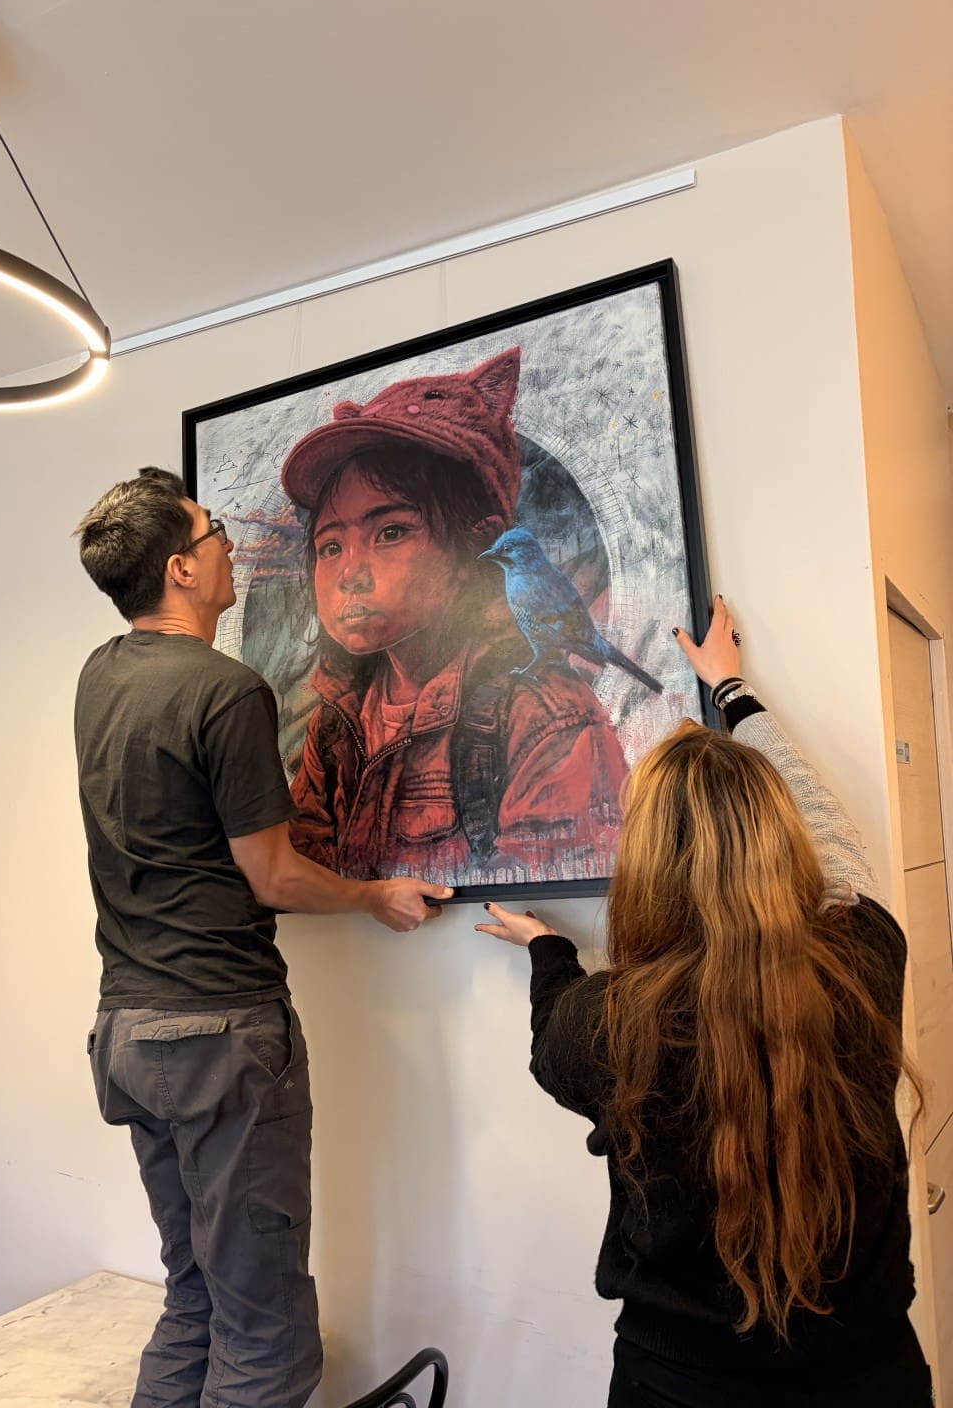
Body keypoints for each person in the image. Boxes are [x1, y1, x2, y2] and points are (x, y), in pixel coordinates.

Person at [476, 596, 931, 1408]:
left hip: (675, 1388)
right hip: (873, 1379)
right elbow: (832, 838)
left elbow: (553, 1037)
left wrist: (548, 948)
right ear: (778, 837)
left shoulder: (607, 1022)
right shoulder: (866, 953)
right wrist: (731, 692)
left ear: (646, 864)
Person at [73, 466, 451, 1408]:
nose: (229, 545)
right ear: (180, 569)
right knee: (266, 1335)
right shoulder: (226, 690)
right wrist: (373, 896)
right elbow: (272, 875)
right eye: (212, 534)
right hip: (217, 1036)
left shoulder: (99, 676)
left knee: (194, 1298)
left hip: (127, 1033)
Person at [280, 346, 643, 886]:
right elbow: (301, 875)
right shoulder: (336, 723)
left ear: (476, 545)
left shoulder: (544, 718)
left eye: (390, 532)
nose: (349, 573)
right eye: (330, 547)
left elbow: (555, 892)